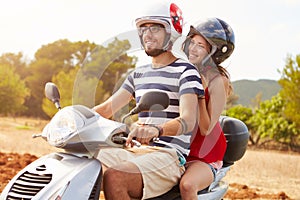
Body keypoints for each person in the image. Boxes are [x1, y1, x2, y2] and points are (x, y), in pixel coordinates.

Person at [93, 2, 204, 199]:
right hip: (134, 150)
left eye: (155, 28)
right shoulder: (138, 74)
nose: (147, 35)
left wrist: (156, 129)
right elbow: (107, 108)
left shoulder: (186, 72)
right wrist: (71, 117)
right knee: (80, 160)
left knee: (115, 177)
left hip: (167, 155)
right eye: (143, 29)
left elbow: (188, 120)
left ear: (171, 33)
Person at [178, 18, 235, 199]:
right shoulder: (184, 71)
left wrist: (200, 93)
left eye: (201, 46)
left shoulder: (219, 80)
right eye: (192, 42)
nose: (193, 48)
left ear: (213, 52)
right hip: (178, 147)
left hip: (204, 153)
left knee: (187, 186)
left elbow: (206, 128)